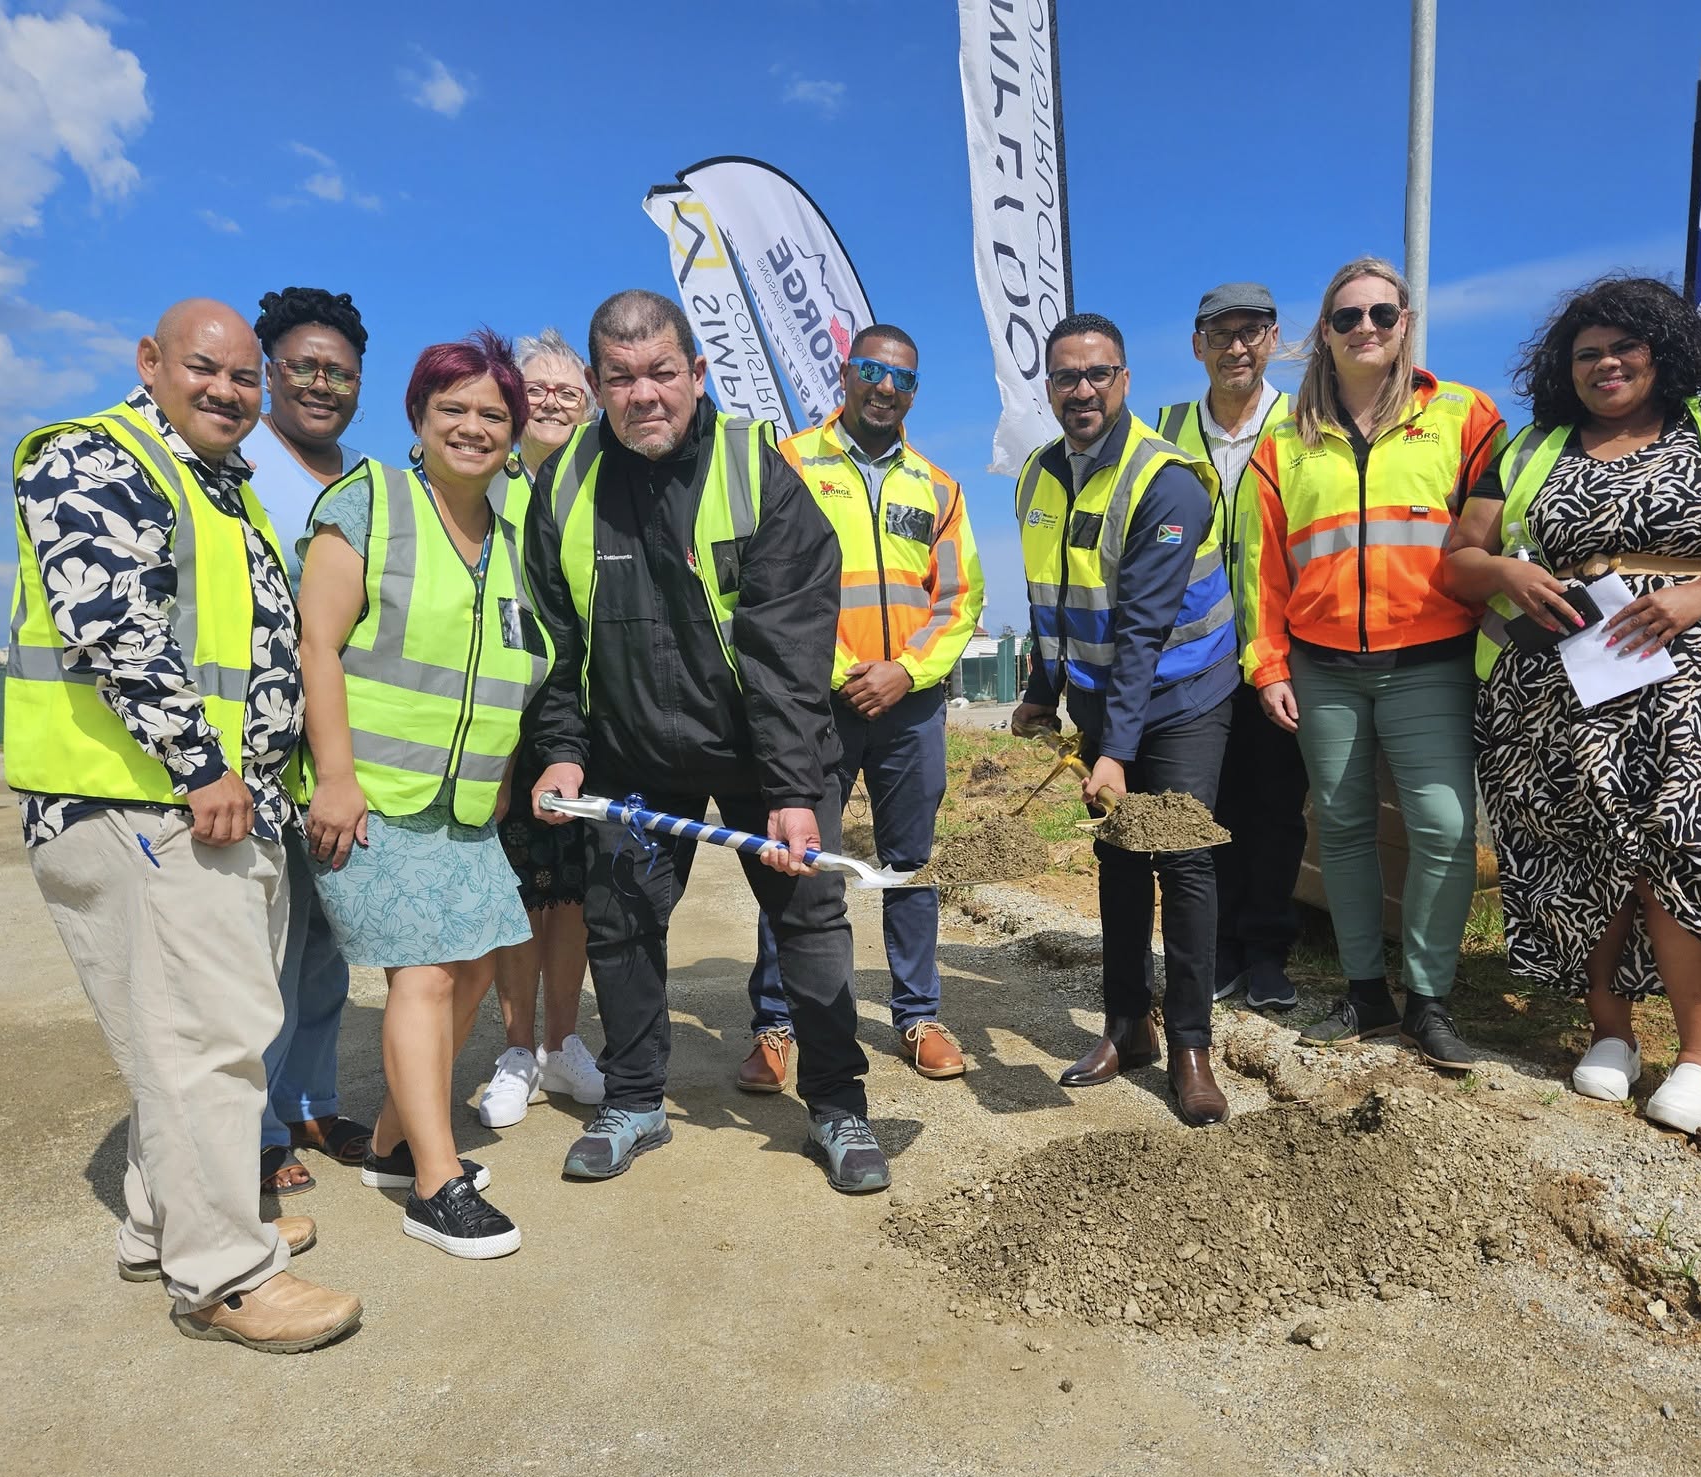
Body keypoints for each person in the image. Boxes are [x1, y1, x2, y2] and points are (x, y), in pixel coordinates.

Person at [7, 298, 360, 1351]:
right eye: (205, 370)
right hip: (147, 801)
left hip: (199, 804)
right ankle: (224, 1276)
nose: (228, 391)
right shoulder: (93, 456)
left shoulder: (221, 484)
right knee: (207, 1043)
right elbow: (111, 621)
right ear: (149, 362)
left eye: (243, 379)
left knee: (192, 1035)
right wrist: (201, 763)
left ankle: (168, 1227)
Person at [1446, 276, 1701, 1133]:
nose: (1606, 364)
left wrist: (1695, 595)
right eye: (1587, 352)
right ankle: (1609, 1034)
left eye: (1624, 347)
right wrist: (1509, 573)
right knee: (1584, 850)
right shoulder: (1528, 448)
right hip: (1557, 691)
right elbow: (1458, 558)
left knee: (1688, 851)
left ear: (1661, 351)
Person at [528, 289, 889, 1194]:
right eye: (620, 378)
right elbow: (551, 639)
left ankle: (840, 1106)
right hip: (629, 753)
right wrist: (563, 749)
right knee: (621, 920)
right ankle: (635, 1097)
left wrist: (796, 791)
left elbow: (788, 655)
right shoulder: (564, 483)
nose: (643, 394)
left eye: (661, 373)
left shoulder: (756, 472)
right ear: (598, 384)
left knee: (808, 921)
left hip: (756, 752)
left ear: (696, 373)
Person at [297, 329, 550, 1260]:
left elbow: (516, 670)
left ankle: (398, 1144)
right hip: (371, 794)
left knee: (480, 960)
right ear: (417, 418)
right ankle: (437, 1187)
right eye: (455, 410)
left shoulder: (515, 535)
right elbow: (317, 643)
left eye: (493, 414)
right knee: (426, 974)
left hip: (466, 806)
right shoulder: (368, 503)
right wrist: (334, 777)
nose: (474, 428)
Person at [1242, 256, 1504, 1071]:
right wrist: (1269, 665)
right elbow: (1263, 567)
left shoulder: (1463, 415)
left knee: (1446, 828)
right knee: (1346, 829)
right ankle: (1366, 996)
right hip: (1323, 667)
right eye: (1348, 317)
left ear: (1405, 325)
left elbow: (1497, 533)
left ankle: (1429, 1001)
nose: (1365, 330)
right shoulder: (1286, 438)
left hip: (1430, 660)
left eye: (1382, 316)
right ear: (1324, 331)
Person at [737, 323, 986, 1093]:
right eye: (873, 371)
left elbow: (962, 596)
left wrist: (905, 673)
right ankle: (775, 1026)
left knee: (909, 866)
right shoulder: (789, 464)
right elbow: (765, 581)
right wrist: (844, 671)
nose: (886, 387)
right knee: (799, 864)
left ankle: (917, 1014)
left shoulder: (938, 487)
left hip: (909, 710)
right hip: (817, 704)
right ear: (846, 375)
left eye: (903, 378)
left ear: (915, 391)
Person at [1011, 312, 1235, 1127]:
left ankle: (1190, 1047)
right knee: (1117, 860)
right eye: (1067, 376)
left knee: (1178, 856)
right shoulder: (1037, 478)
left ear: (1126, 381)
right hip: (1104, 699)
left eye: (1098, 374)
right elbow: (1051, 600)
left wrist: (1116, 754)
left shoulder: (1166, 482)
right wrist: (1041, 687)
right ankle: (1123, 1027)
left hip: (1182, 695)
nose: (1082, 390)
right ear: (1049, 387)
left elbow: (1141, 629)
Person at [244, 286, 373, 1197]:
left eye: (341, 371)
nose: (322, 383)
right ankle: (253, 1127)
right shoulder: (238, 464)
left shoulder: (365, 482)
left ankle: (309, 1098)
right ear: (269, 370)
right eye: (304, 367)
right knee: (268, 952)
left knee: (329, 944)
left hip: (345, 754)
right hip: (266, 755)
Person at [1154, 283, 1306, 1012]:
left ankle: (1267, 951)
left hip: (1281, 650)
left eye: (1251, 332)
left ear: (1274, 339)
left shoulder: (1303, 425)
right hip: (1197, 656)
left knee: (1275, 806)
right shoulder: (1164, 429)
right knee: (1203, 807)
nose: (1236, 347)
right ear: (1198, 346)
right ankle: (1216, 949)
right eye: (1221, 334)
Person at [478, 327, 607, 1126]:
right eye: (541, 390)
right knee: (519, 894)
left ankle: (566, 1042)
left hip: (593, 717)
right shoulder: (486, 482)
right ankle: (517, 1048)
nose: (555, 402)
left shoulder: (606, 481)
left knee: (576, 896)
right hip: (509, 720)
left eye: (571, 391)